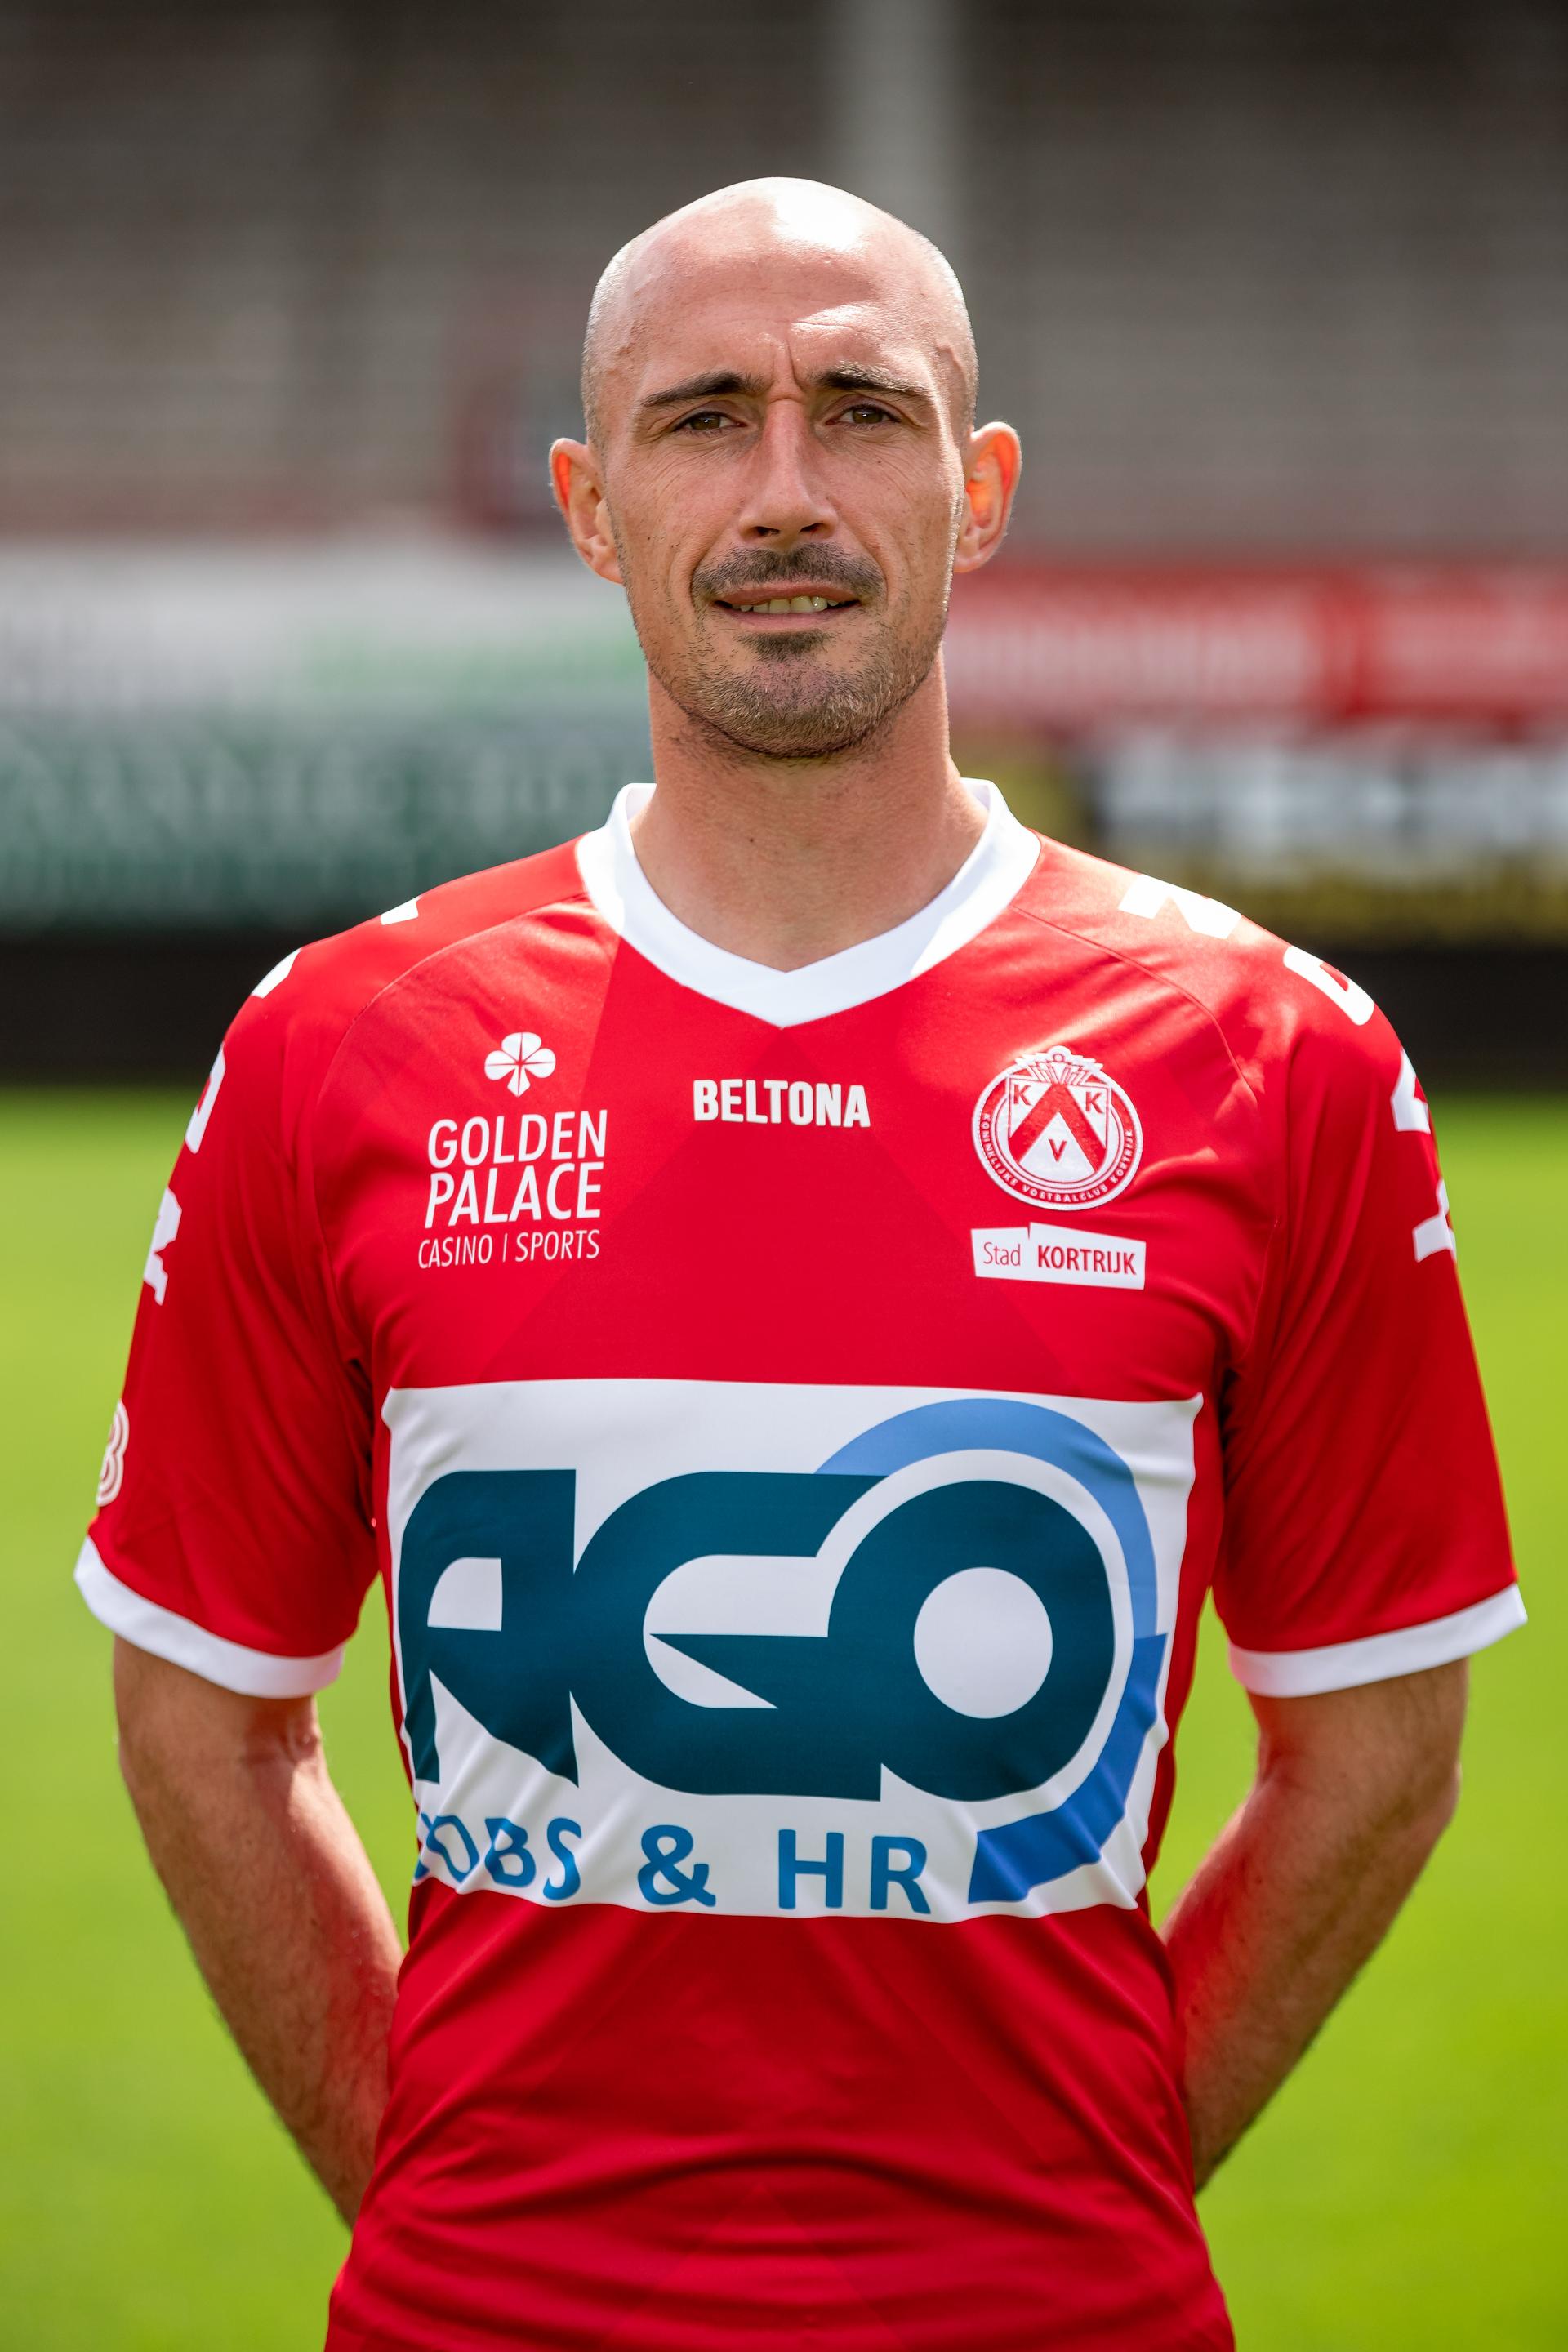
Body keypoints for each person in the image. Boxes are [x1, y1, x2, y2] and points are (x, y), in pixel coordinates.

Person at [82, 179, 1523, 2352]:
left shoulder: (1274, 1056)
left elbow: (1380, 1746)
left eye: (860, 410)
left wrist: (1090, 2186)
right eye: (701, 420)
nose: (784, 492)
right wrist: (451, 2202)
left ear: (980, 488)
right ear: (589, 507)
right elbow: (205, 1716)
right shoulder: (341, 1048)